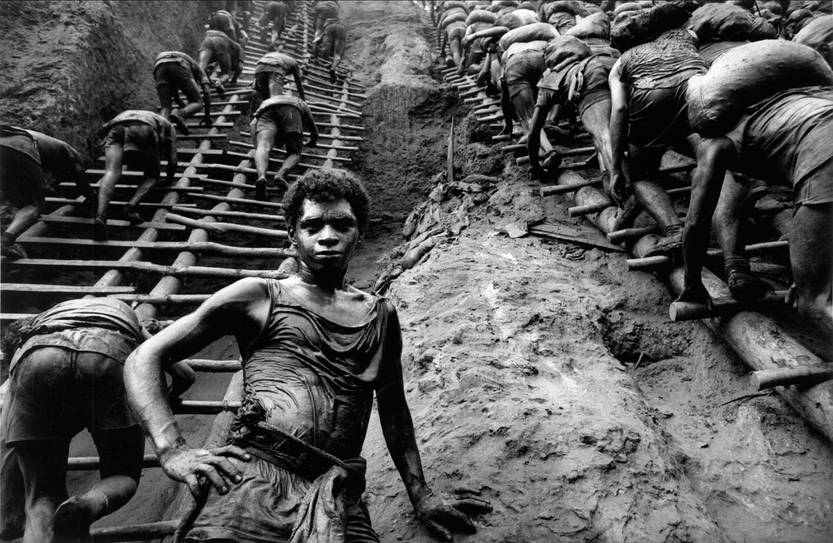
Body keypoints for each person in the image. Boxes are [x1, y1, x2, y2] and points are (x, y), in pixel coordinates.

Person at [124, 169, 492, 542]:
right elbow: (144, 357)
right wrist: (172, 449)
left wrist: (421, 495)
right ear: (293, 235)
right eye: (313, 225)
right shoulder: (259, 296)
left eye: (342, 225)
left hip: (336, 494)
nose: (327, 236)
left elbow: (394, 411)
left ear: (359, 233)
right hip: (251, 481)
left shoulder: (381, 315)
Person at [0, 297, 195, 542]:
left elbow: (7, 432)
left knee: (41, 496)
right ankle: (86, 506)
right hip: (106, 352)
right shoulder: (120, 312)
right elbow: (186, 375)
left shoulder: (36, 333)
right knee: (122, 475)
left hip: (38, 361)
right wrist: (163, 400)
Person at [678, 85, 833, 329]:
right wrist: (807, 272)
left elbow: (697, 220)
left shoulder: (716, 142)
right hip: (821, 152)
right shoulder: (783, 104)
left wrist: (692, 284)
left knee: (814, 303)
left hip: (823, 159)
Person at [608, 28, 706, 255]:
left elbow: (620, 109)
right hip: (693, 89)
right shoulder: (687, 45)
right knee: (715, 162)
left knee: (641, 176)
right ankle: (733, 256)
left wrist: (615, 168)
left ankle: (674, 230)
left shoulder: (625, 59)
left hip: (650, 101)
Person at [528, 36, 619, 184]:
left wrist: (534, 165)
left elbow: (533, 131)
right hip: (613, 67)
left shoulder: (549, 81)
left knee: (604, 136)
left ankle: (625, 188)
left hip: (589, 77)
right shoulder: (604, 57)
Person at [0, 126, 93, 260]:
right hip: (20, 146)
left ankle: (11, 233)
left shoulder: (50, 146)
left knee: (13, 198)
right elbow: (82, 182)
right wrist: (92, 198)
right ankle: (5, 242)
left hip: (6, 143)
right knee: (34, 205)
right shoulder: (71, 153)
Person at [94, 110, 177, 240]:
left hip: (116, 127)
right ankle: (131, 206)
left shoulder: (139, 114)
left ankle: (101, 216)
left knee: (111, 171)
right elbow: (173, 161)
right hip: (143, 128)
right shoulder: (170, 127)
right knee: (153, 176)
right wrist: (169, 179)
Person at [249, 94, 319, 200]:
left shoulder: (267, 101)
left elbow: (252, 124)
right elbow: (314, 130)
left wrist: (256, 146)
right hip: (291, 111)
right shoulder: (301, 103)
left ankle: (262, 177)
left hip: (267, 111)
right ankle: (280, 174)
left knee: (263, 146)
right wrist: (312, 141)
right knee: (294, 153)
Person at [153, 51, 213, 130]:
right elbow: (207, 92)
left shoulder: (190, 66)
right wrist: (207, 117)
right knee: (198, 103)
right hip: (179, 63)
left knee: (166, 108)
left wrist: (183, 106)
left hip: (159, 67)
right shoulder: (199, 69)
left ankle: (160, 131)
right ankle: (179, 114)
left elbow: (176, 96)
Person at [198, 28, 244, 96]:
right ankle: (219, 83)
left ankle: (201, 83)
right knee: (227, 73)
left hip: (207, 41)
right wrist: (233, 81)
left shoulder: (232, 47)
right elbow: (240, 67)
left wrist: (209, 81)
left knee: (201, 67)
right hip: (222, 43)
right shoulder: (239, 48)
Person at [313, 16, 348, 82]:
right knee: (337, 54)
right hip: (342, 29)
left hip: (330, 28)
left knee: (326, 47)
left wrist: (316, 58)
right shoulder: (340, 24)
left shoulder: (327, 24)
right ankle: (333, 68)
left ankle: (323, 60)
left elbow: (316, 42)